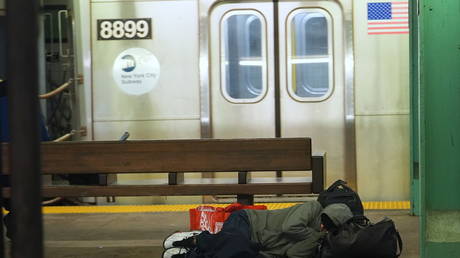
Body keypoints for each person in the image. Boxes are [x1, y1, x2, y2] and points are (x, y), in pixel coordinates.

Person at [162, 201, 353, 258]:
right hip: (249, 223)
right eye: (324, 220)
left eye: (328, 226)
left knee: (239, 252)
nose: (322, 225)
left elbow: (293, 254)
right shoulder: (312, 208)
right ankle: (198, 240)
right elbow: (290, 227)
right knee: (236, 243)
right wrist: (315, 233)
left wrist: (316, 238)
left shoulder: (317, 239)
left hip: (257, 247)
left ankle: (195, 253)